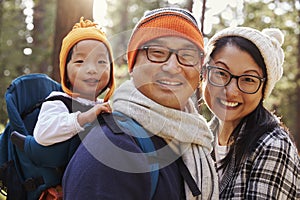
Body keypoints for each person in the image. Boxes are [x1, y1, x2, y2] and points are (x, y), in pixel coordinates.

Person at [63, 7, 218, 200]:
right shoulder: (114, 147)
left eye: (187, 56)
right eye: (157, 52)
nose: (172, 67)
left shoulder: (195, 140)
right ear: (133, 63)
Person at [200, 26, 300, 199]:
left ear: (263, 90)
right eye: (221, 73)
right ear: (204, 73)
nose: (230, 91)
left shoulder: (272, 146)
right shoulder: (202, 139)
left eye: (248, 79)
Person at [11, 17, 115, 168]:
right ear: (65, 70)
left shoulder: (104, 106)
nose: (92, 69)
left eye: (101, 62)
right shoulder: (58, 101)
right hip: (63, 188)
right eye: (80, 62)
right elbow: (42, 134)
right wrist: (84, 118)